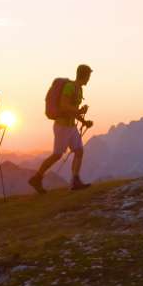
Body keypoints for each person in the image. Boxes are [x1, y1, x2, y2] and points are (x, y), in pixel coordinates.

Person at [29, 64, 93, 193]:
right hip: (62, 126)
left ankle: (75, 180)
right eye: (89, 76)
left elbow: (72, 110)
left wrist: (83, 121)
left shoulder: (79, 89)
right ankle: (37, 178)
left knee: (79, 151)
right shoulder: (70, 87)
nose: (89, 79)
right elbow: (64, 106)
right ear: (84, 75)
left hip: (71, 126)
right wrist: (80, 111)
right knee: (57, 155)